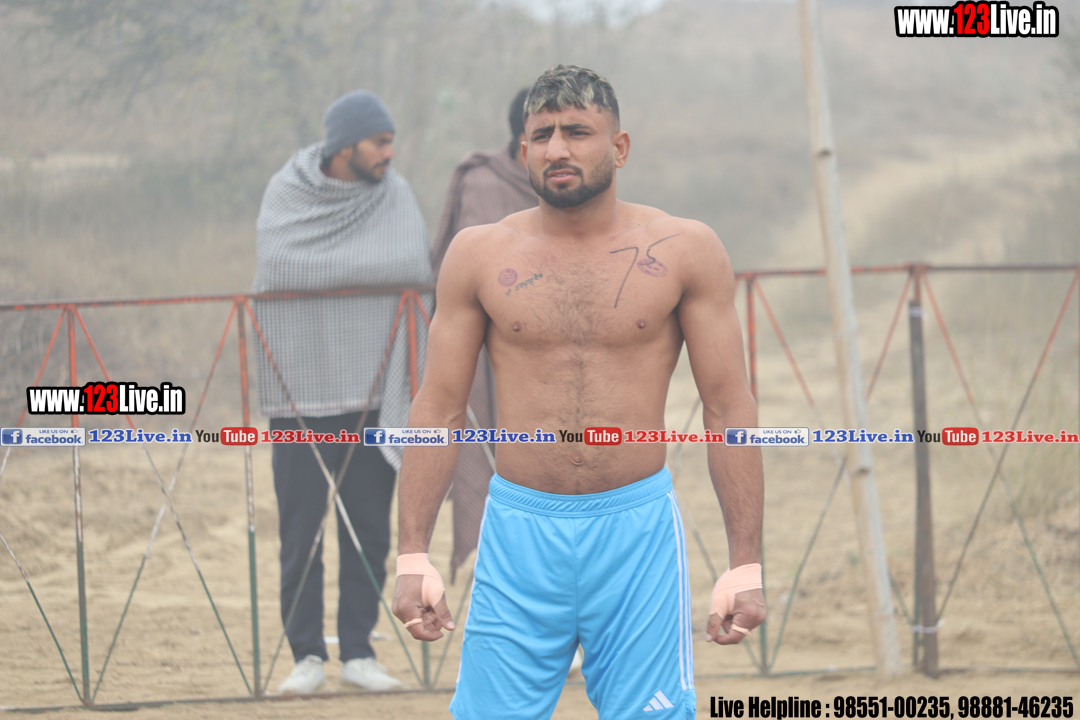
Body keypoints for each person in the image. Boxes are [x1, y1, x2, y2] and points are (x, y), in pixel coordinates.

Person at [391, 65, 766, 719]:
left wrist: (745, 566)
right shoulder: (479, 255)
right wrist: (412, 555)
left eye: (577, 132)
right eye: (542, 135)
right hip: (518, 531)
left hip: (636, 533)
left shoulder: (684, 249)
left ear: (619, 147)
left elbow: (728, 407)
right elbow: (439, 408)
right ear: (522, 151)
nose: (557, 149)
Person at [253, 89, 434, 695]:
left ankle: (358, 652)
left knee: (370, 531)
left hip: (374, 391)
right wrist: (368, 268)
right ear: (345, 145)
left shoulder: (395, 194)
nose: (388, 153)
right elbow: (280, 267)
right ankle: (306, 656)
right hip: (299, 393)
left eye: (390, 142)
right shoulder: (288, 190)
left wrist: (342, 270)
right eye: (379, 142)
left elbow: (414, 265)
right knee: (301, 533)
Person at [432, 87, 538, 582]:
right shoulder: (480, 181)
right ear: (522, 138)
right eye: (545, 133)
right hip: (481, 344)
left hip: (548, 349)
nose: (559, 148)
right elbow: (465, 266)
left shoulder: (573, 186)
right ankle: (488, 573)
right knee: (480, 445)